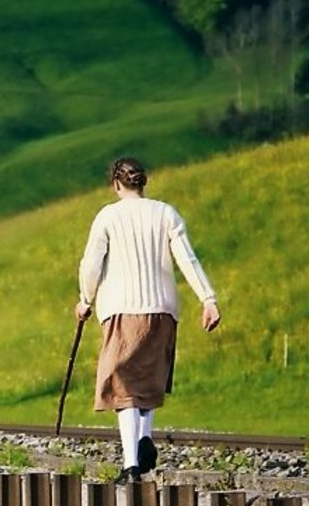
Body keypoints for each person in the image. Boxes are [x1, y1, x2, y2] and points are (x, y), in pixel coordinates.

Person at [75, 156, 221, 485]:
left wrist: (86, 299)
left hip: (122, 308)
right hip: (163, 309)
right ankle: (143, 438)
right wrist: (208, 299)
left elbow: (91, 264)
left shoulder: (108, 217)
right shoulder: (166, 213)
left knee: (123, 384)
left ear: (115, 184)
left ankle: (131, 465)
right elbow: (188, 258)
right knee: (148, 379)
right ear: (144, 181)